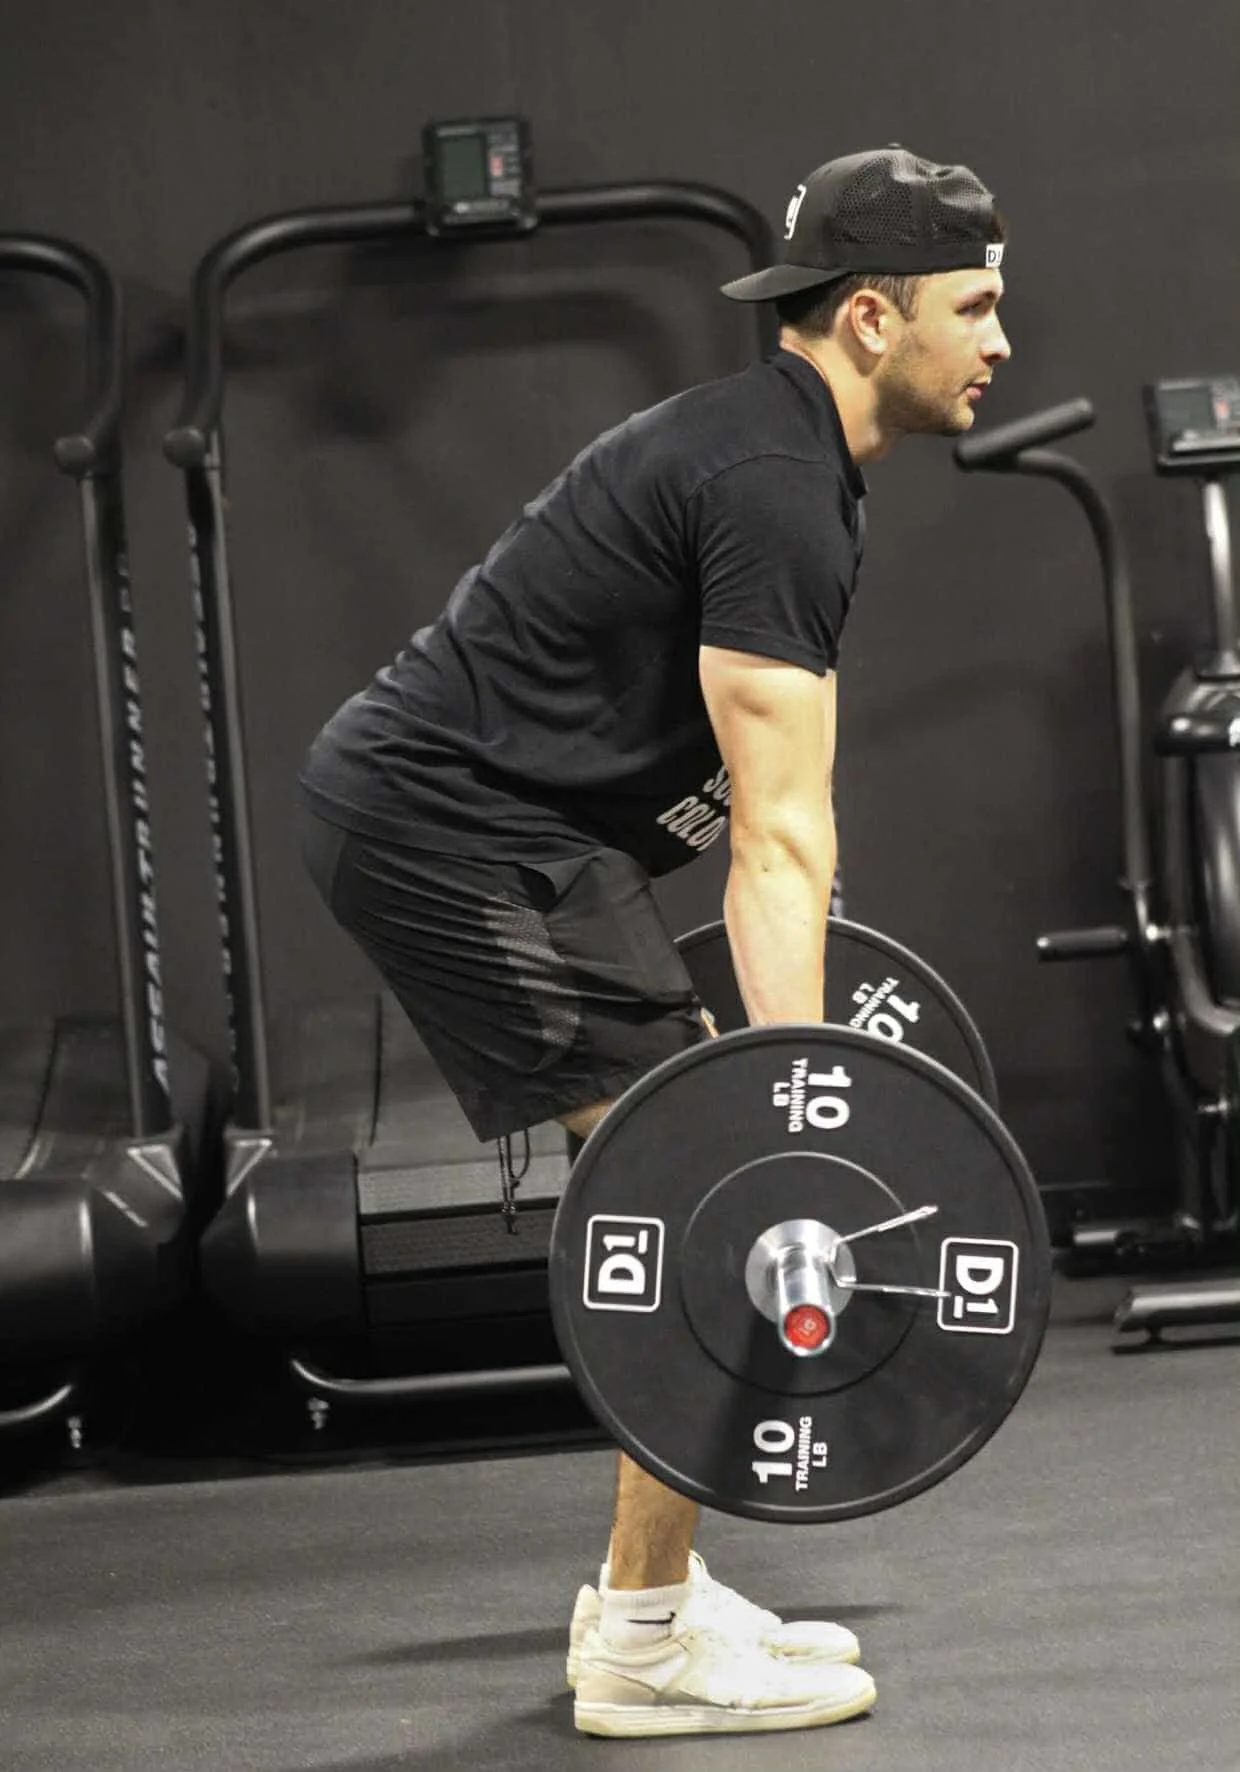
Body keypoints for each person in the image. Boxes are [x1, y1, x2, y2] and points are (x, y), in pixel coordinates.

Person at [297, 143, 1011, 1739]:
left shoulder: (780, 460)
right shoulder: (771, 484)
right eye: (978, 305)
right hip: (455, 838)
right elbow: (774, 836)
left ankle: (665, 1593)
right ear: (876, 318)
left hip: (498, 836)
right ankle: (638, 1638)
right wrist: (798, 1113)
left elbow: (785, 824)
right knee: (708, 1199)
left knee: (703, 1172)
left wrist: (777, 1080)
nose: (1002, 340)